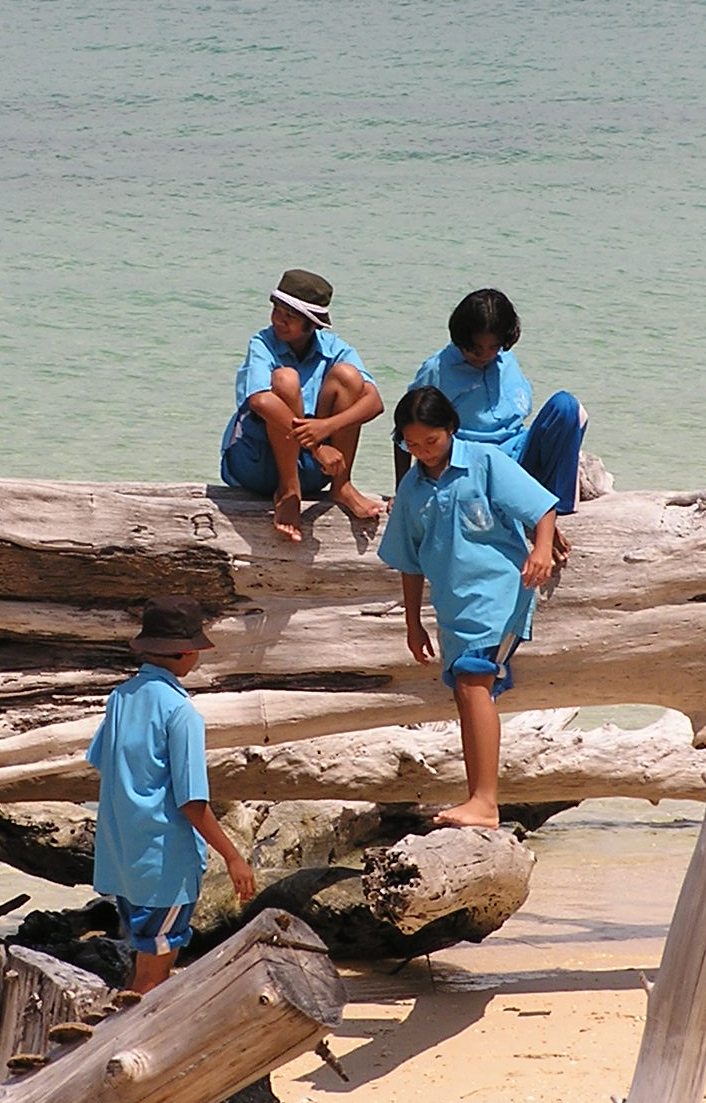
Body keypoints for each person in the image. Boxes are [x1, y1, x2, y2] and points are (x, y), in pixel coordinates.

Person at [379, 386, 558, 829]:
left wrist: (542, 549)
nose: (422, 451)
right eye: (411, 444)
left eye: (431, 442)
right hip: (453, 607)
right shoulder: (412, 488)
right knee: (466, 693)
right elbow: (408, 559)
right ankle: (478, 798)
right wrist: (412, 622)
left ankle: (485, 802)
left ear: (451, 430)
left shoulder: (484, 461)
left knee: (474, 684)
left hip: (500, 595)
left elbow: (542, 507)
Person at [86, 595, 257, 996]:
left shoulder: (120, 698)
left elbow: (103, 762)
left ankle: (112, 1042)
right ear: (187, 653)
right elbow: (192, 802)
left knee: (143, 968)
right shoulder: (182, 712)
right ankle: (121, 1052)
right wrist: (233, 857)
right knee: (151, 978)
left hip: (124, 862)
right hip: (166, 868)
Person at [398, 290, 585, 552]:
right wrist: (403, 490)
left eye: (493, 347)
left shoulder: (506, 360)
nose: (485, 355)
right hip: (476, 467)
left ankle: (555, 508)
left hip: (517, 452)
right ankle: (535, 514)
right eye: (475, 349)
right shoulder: (437, 369)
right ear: (461, 339)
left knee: (566, 407)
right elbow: (406, 429)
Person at [219, 268, 385, 544]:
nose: (279, 321)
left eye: (290, 317)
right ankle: (288, 490)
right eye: (277, 311)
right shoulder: (262, 342)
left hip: (315, 468)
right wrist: (316, 447)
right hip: (256, 461)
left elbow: (374, 403)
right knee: (285, 380)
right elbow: (260, 400)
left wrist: (325, 427)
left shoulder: (335, 349)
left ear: (312, 324)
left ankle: (341, 485)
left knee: (348, 377)